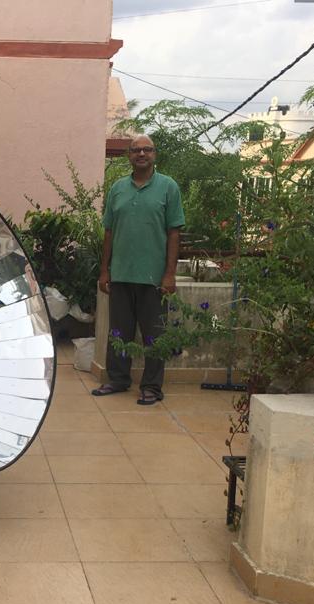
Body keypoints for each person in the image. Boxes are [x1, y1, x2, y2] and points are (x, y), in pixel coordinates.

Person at [91, 134, 185, 405]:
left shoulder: (168, 188)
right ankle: (118, 379)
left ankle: (152, 387)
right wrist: (105, 270)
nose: (141, 154)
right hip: (121, 274)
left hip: (154, 278)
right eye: (135, 150)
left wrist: (169, 273)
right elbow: (109, 231)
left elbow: (174, 232)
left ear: (154, 155)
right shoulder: (117, 189)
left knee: (155, 335)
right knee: (118, 333)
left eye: (147, 150)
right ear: (129, 156)